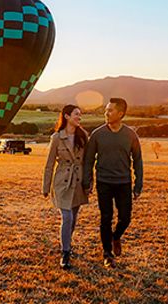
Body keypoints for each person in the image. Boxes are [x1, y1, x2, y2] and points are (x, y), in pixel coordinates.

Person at [83, 98, 143, 268]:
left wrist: (138, 184)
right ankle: (107, 254)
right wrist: (88, 182)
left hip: (124, 182)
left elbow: (137, 160)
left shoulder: (130, 135)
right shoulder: (97, 134)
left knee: (125, 218)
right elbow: (88, 160)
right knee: (106, 218)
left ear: (121, 113)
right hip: (104, 182)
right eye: (106, 109)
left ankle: (116, 236)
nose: (106, 113)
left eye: (110, 110)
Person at [42, 105, 89, 269]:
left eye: (80, 114)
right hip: (62, 182)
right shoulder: (56, 137)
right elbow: (49, 164)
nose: (79, 117)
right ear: (67, 116)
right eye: (76, 114)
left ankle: (67, 243)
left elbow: (88, 162)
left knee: (74, 218)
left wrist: (89, 183)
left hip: (78, 181)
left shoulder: (83, 136)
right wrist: (46, 187)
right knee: (67, 217)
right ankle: (65, 252)